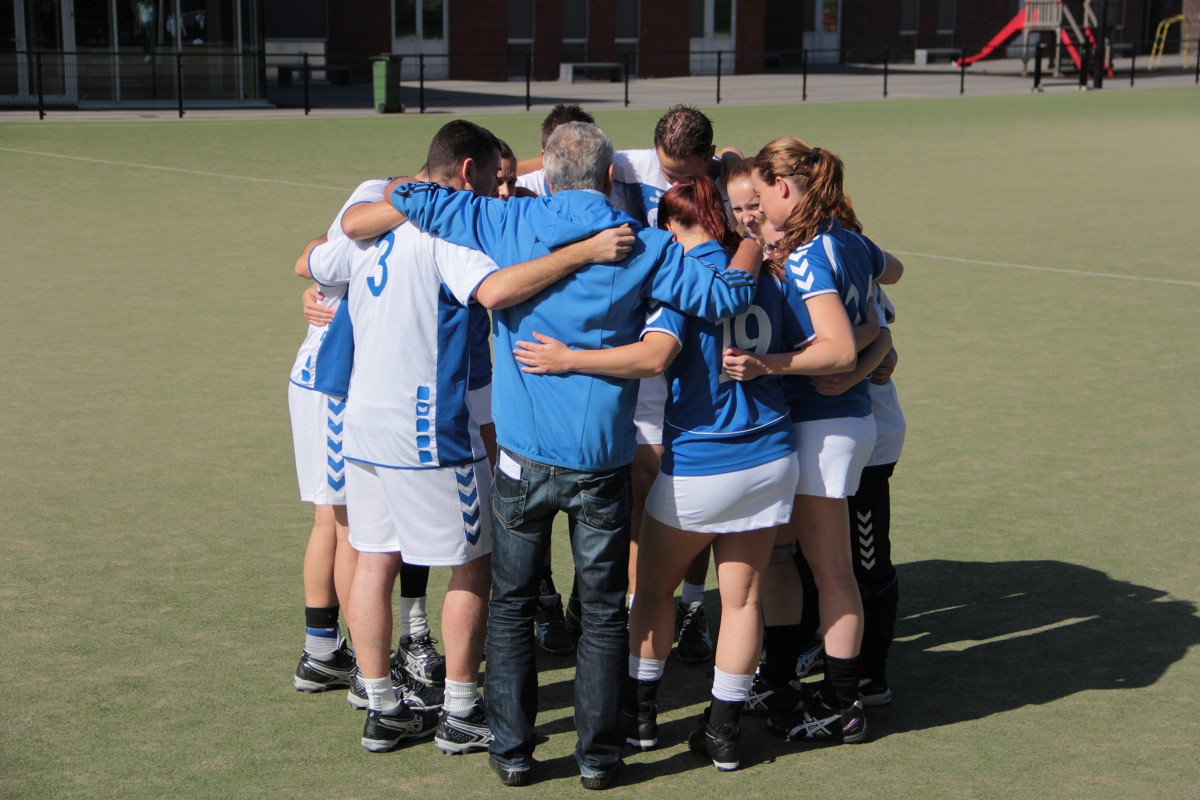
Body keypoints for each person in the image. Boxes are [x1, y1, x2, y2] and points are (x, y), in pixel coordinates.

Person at [388, 121, 762, 789]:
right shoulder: (644, 245)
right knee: (599, 609)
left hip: (522, 458)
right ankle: (597, 756)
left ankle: (512, 751)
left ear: (547, 177)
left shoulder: (506, 223)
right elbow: (725, 298)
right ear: (611, 176)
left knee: (510, 604)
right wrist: (749, 243)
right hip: (601, 460)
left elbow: (412, 194)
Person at [295, 120, 635, 755]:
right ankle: (458, 709)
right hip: (428, 428)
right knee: (475, 564)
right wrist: (581, 253)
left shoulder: (371, 215)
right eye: (494, 179)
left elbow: (316, 256)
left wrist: (316, 298)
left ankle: (382, 704)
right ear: (467, 171)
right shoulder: (451, 225)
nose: (500, 194)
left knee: (374, 558)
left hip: (359, 421)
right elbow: (497, 288)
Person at [511, 176, 830, 771]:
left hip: (705, 460)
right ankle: (724, 732)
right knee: (742, 599)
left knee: (653, 589)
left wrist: (568, 359)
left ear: (676, 225)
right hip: (770, 453)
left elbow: (652, 356)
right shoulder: (770, 270)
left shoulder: (682, 277)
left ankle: (639, 715)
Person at [724, 137, 902, 745]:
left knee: (829, 573)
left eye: (758, 195)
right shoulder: (847, 239)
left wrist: (768, 365)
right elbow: (883, 298)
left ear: (781, 188)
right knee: (806, 565)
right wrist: (872, 350)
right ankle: (799, 685)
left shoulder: (808, 253)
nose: (752, 213)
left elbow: (838, 347)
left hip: (823, 427)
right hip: (840, 422)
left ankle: (841, 703)